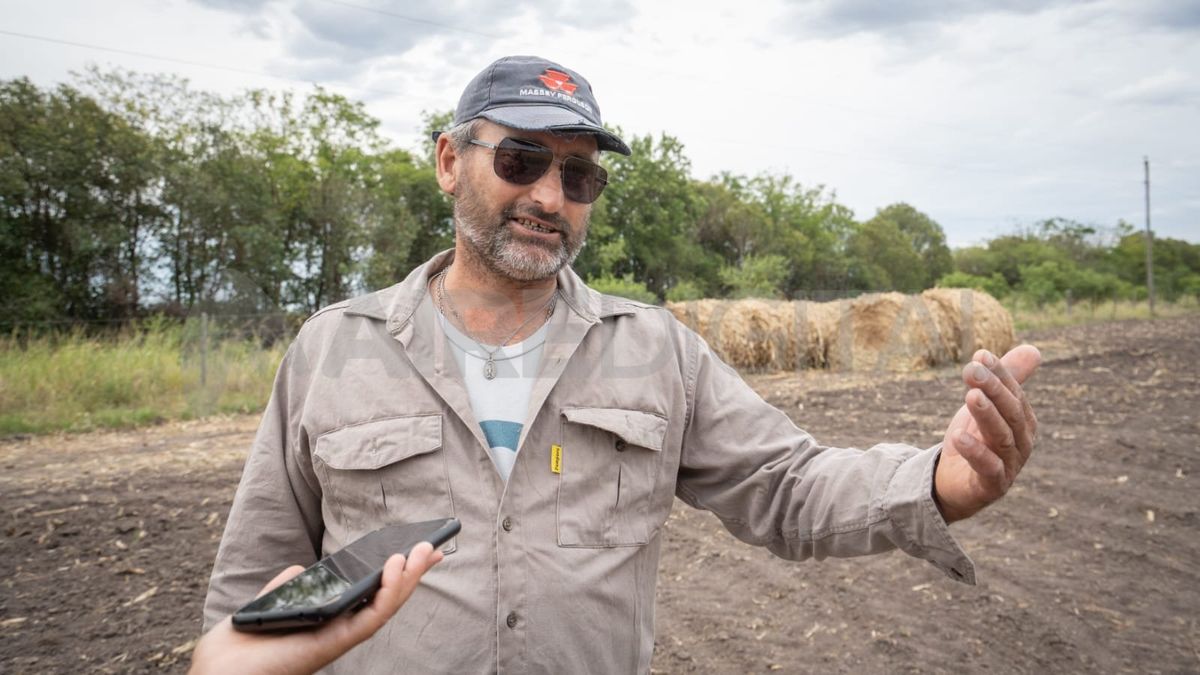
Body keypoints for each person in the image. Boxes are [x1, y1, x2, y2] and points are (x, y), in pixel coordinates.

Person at [201, 55, 1040, 673]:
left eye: (579, 175)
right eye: (521, 160)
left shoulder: (656, 351)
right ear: (450, 162)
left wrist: (938, 482)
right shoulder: (333, 348)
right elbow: (256, 585)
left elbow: (786, 486)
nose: (548, 197)